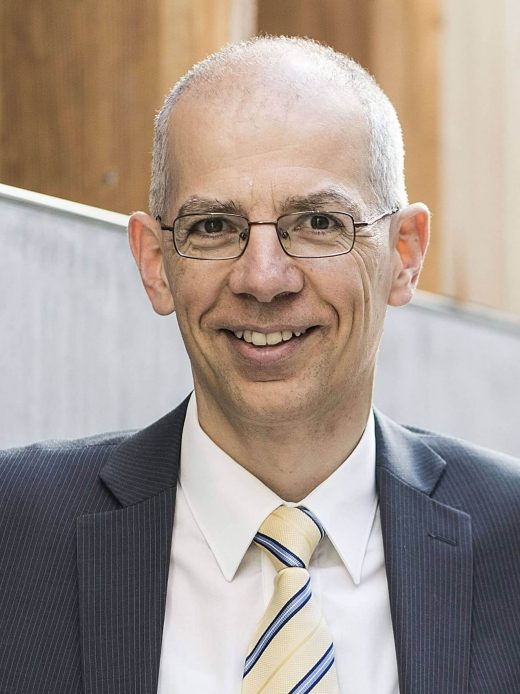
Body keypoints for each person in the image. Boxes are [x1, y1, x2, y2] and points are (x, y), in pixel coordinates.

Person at [0, 36, 519, 694]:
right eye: (213, 226)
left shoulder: (511, 543)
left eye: (319, 222)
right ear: (155, 264)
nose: (264, 279)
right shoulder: (14, 535)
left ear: (405, 253)